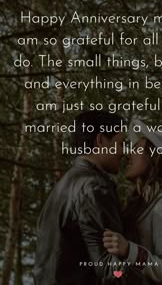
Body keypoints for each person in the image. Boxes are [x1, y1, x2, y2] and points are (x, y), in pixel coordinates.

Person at [33, 111, 128, 285]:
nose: (123, 152)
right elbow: (110, 269)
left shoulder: (64, 185)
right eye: (120, 143)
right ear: (100, 140)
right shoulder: (94, 186)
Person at [103, 119, 162, 285]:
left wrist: (129, 250)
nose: (128, 154)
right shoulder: (140, 204)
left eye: (137, 149)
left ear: (154, 157)